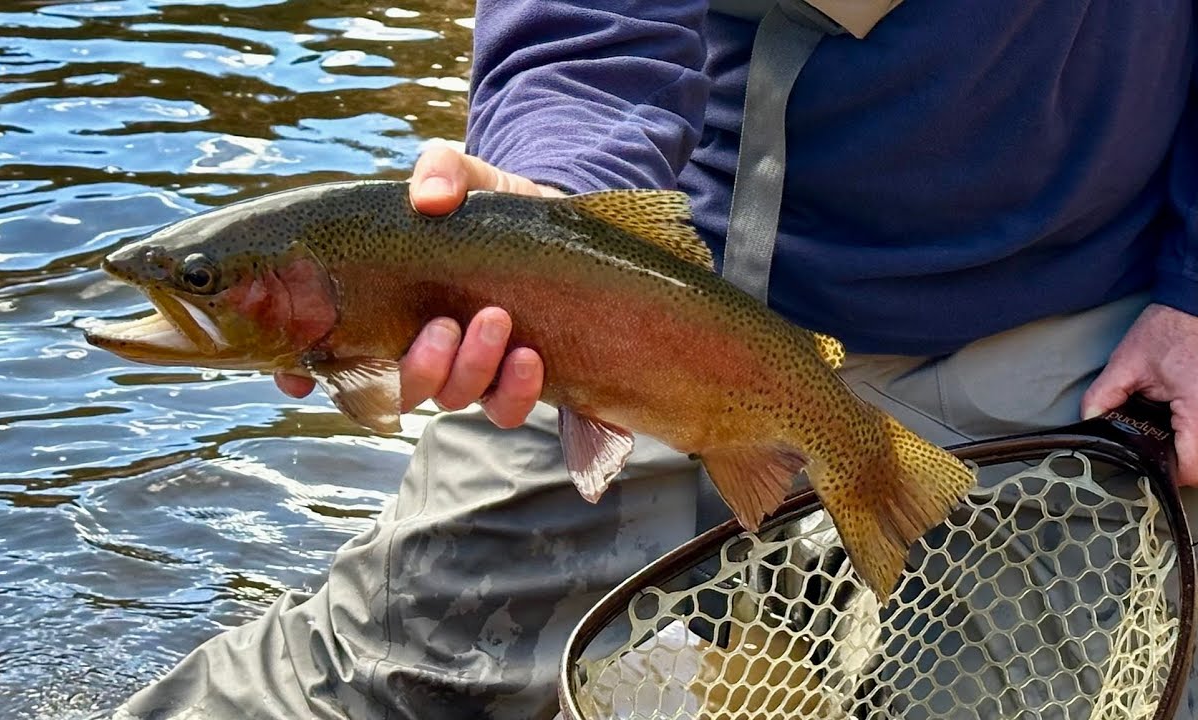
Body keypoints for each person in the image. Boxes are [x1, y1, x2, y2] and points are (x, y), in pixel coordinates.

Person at [118, 1, 1198, 718]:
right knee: (379, 679)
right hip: (645, 285)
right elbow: (588, 32)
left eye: (207, 280)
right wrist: (548, 200)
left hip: (1090, 314)